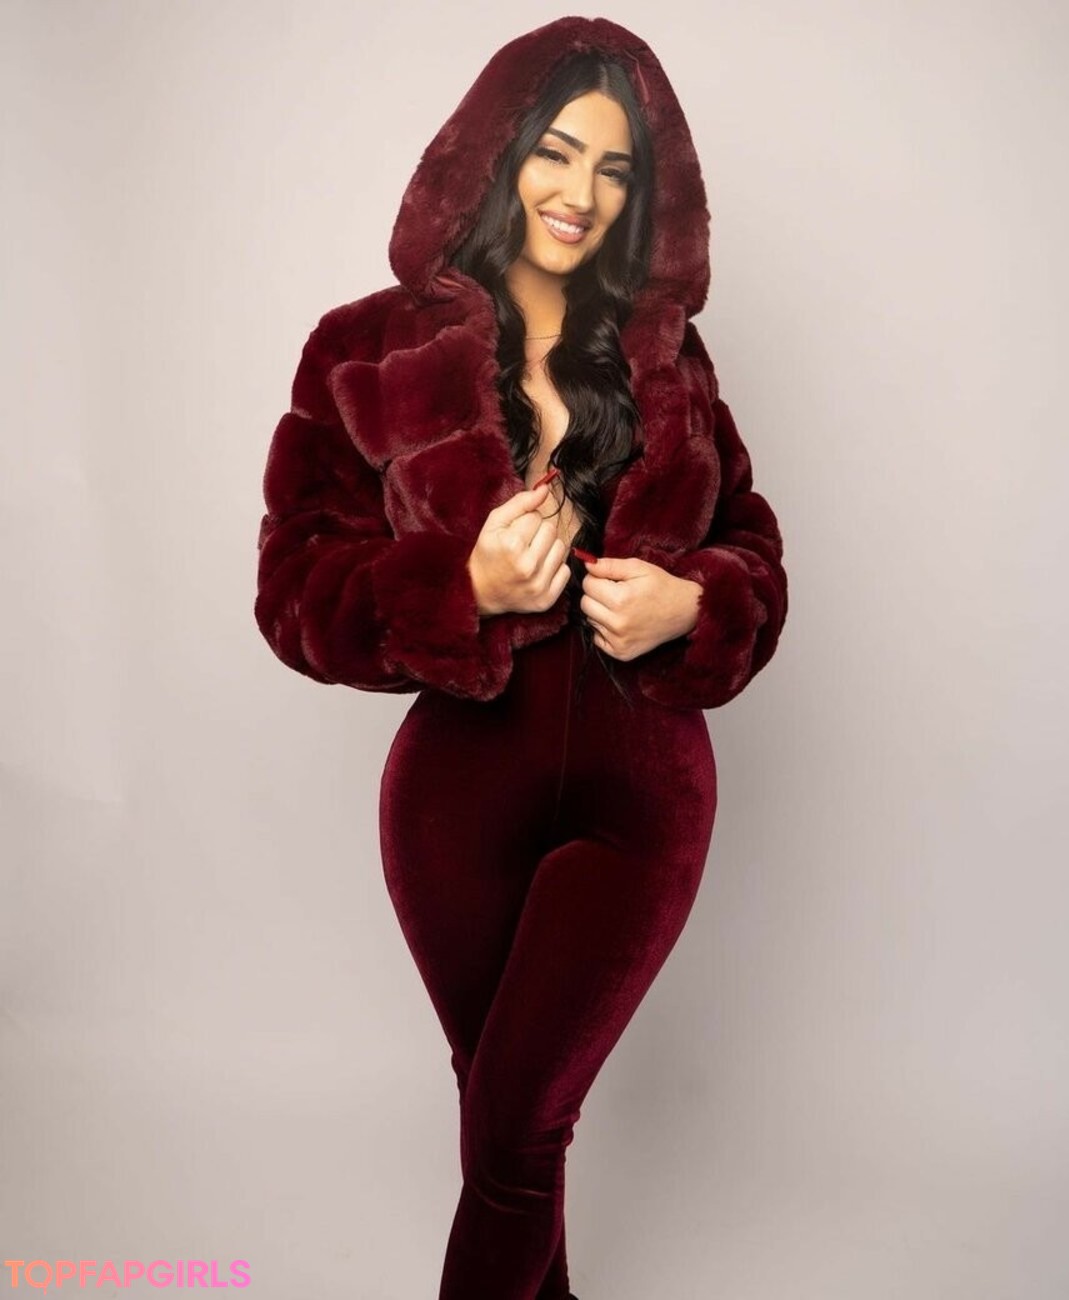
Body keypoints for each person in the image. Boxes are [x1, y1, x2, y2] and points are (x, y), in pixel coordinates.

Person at [254, 16, 788, 1300]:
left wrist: (696, 602)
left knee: (514, 1134)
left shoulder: (670, 358)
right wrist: (462, 585)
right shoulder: (363, 350)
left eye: (614, 170)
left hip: (645, 790)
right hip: (457, 798)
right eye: (557, 152)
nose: (580, 194)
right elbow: (291, 592)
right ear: (497, 152)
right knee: (503, 1118)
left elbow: (756, 552)